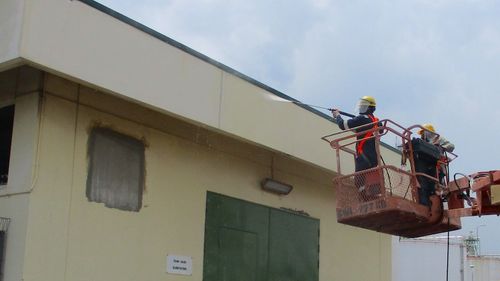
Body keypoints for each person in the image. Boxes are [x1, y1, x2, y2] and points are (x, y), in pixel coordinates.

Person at [332, 96, 381, 197]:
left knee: (359, 181)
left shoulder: (362, 119)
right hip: (374, 158)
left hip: (363, 156)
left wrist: (337, 115)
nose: (360, 108)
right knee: (371, 179)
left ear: (368, 107)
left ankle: (365, 199)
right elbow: (360, 130)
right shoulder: (376, 121)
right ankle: (374, 197)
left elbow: (342, 125)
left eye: (363, 106)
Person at [414, 123, 455, 206]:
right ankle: (428, 199)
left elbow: (451, 146)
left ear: (428, 132)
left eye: (423, 132)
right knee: (425, 182)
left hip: (438, 165)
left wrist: (441, 146)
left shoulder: (438, 138)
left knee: (438, 181)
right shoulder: (424, 142)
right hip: (428, 165)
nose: (422, 135)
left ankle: (440, 194)